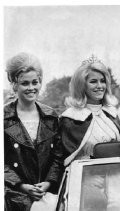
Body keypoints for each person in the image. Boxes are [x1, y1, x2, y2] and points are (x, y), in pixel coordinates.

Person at [59, 55, 120, 211]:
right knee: (97, 203)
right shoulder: (70, 117)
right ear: (82, 85)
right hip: (86, 178)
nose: (100, 86)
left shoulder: (111, 113)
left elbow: (119, 147)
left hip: (115, 174)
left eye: (102, 81)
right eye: (93, 81)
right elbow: (64, 157)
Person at [4, 52, 64, 211]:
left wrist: (49, 182)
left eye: (35, 82)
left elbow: (58, 156)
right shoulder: (4, 118)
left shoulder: (50, 116)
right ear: (14, 84)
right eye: (25, 83)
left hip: (47, 196)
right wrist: (22, 186)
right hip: (13, 196)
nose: (31, 88)